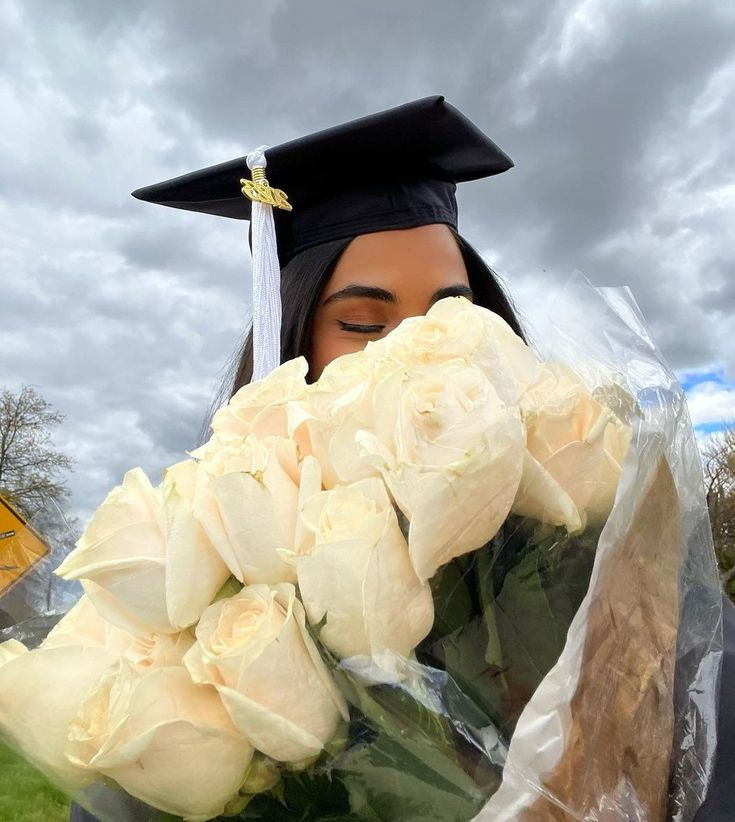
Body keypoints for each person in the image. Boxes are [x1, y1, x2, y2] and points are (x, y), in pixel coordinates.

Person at [70, 96, 732, 820]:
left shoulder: (604, 573)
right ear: (290, 342)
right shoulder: (217, 591)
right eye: (362, 323)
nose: (425, 351)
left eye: (453, 311)